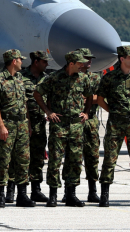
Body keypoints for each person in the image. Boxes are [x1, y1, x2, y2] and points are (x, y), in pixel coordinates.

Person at [33, 50, 90, 207]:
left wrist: (86, 112)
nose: (82, 65)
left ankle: (71, 194)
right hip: (59, 124)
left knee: (75, 160)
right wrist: (48, 111)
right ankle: (53, 195)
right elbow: (37, 93)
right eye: (79, 63)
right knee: (55, 160)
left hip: (76, 125)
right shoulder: (54, 78)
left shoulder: (83, 78)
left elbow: (90, 96)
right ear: (71, 63)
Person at [95, 45, 130, 207]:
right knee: (110, 159)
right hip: (115, 124)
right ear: (122, 59)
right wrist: (113, 111)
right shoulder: (110, 77)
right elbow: (100, 99)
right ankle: (104, 195)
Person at [0, 49, 35, 208]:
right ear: (14, 61)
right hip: (7, 124)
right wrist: (1, 126)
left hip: (21, 125)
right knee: (3, 160)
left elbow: (25, 103)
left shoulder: (21, 79)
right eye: (20, 59)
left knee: (23, 160)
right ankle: (0, 196)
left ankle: (22, 195)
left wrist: (28, 124)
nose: (22, 62)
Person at [20, 50, 50, 202]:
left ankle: (36, 190)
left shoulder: (46, 79)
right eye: (44, 62)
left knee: (38, 158)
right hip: (23, 123)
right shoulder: (21, 77)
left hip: (39, 122)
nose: (47, 64)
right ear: (36, 62)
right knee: (22, 158)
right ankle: (19, 191)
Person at [76, 48, 103, 204]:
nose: (90, 61)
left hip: (91, 120)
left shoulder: (95, 77)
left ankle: (92, 191)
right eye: (86, 58)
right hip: (75, 122)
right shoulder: (72, 77)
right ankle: (70, 190)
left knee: (92, 157)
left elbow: (99, 98)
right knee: (74, 157)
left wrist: (84, 98)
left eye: (90, 58)